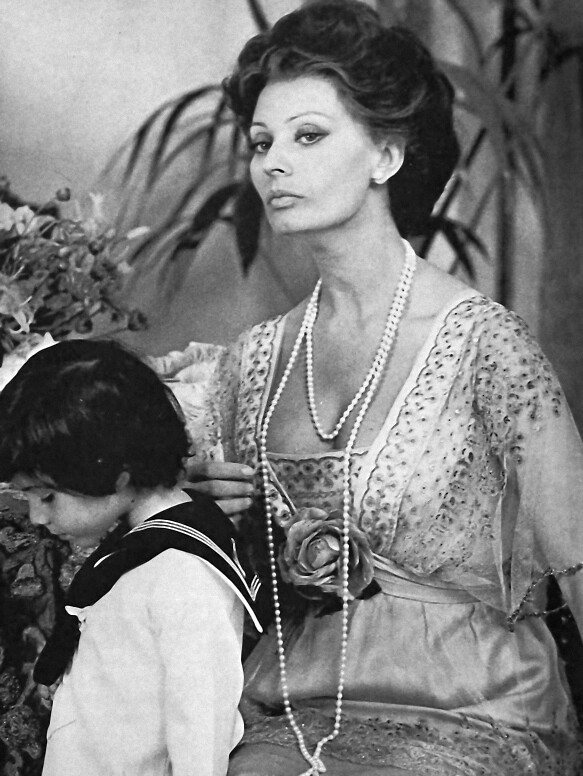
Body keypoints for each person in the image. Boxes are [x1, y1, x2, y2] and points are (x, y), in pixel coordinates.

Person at [156, 2, 583, 774]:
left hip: (471, 718)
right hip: (291, 716)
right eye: (261, 142)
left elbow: (578, 561)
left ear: (386, 153)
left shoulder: (485, 345)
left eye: (308, 135)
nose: (272, 163)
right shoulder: (253, 362)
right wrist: (213, 514)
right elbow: (236, 589)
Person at [0, 339, 262, 776]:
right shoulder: (136, 545)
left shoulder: (183, 573)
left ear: (113, 473)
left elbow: (201, 728)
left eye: (46, 496)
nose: (37, 517)